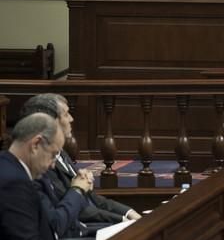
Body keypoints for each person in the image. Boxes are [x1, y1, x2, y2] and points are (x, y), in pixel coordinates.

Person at [21, 94, 141, 226]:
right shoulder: (41, 162)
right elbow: (71, 209)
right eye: (66, 114)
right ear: (51, 121)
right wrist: (122, 221)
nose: (72, 119)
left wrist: (128, 212)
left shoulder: (61, 152)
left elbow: (90, 198)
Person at [0, 113, 86, 240]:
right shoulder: (15, 182)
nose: (53, 165)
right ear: (35, 145)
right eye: (53, 155)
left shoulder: (7, 165)